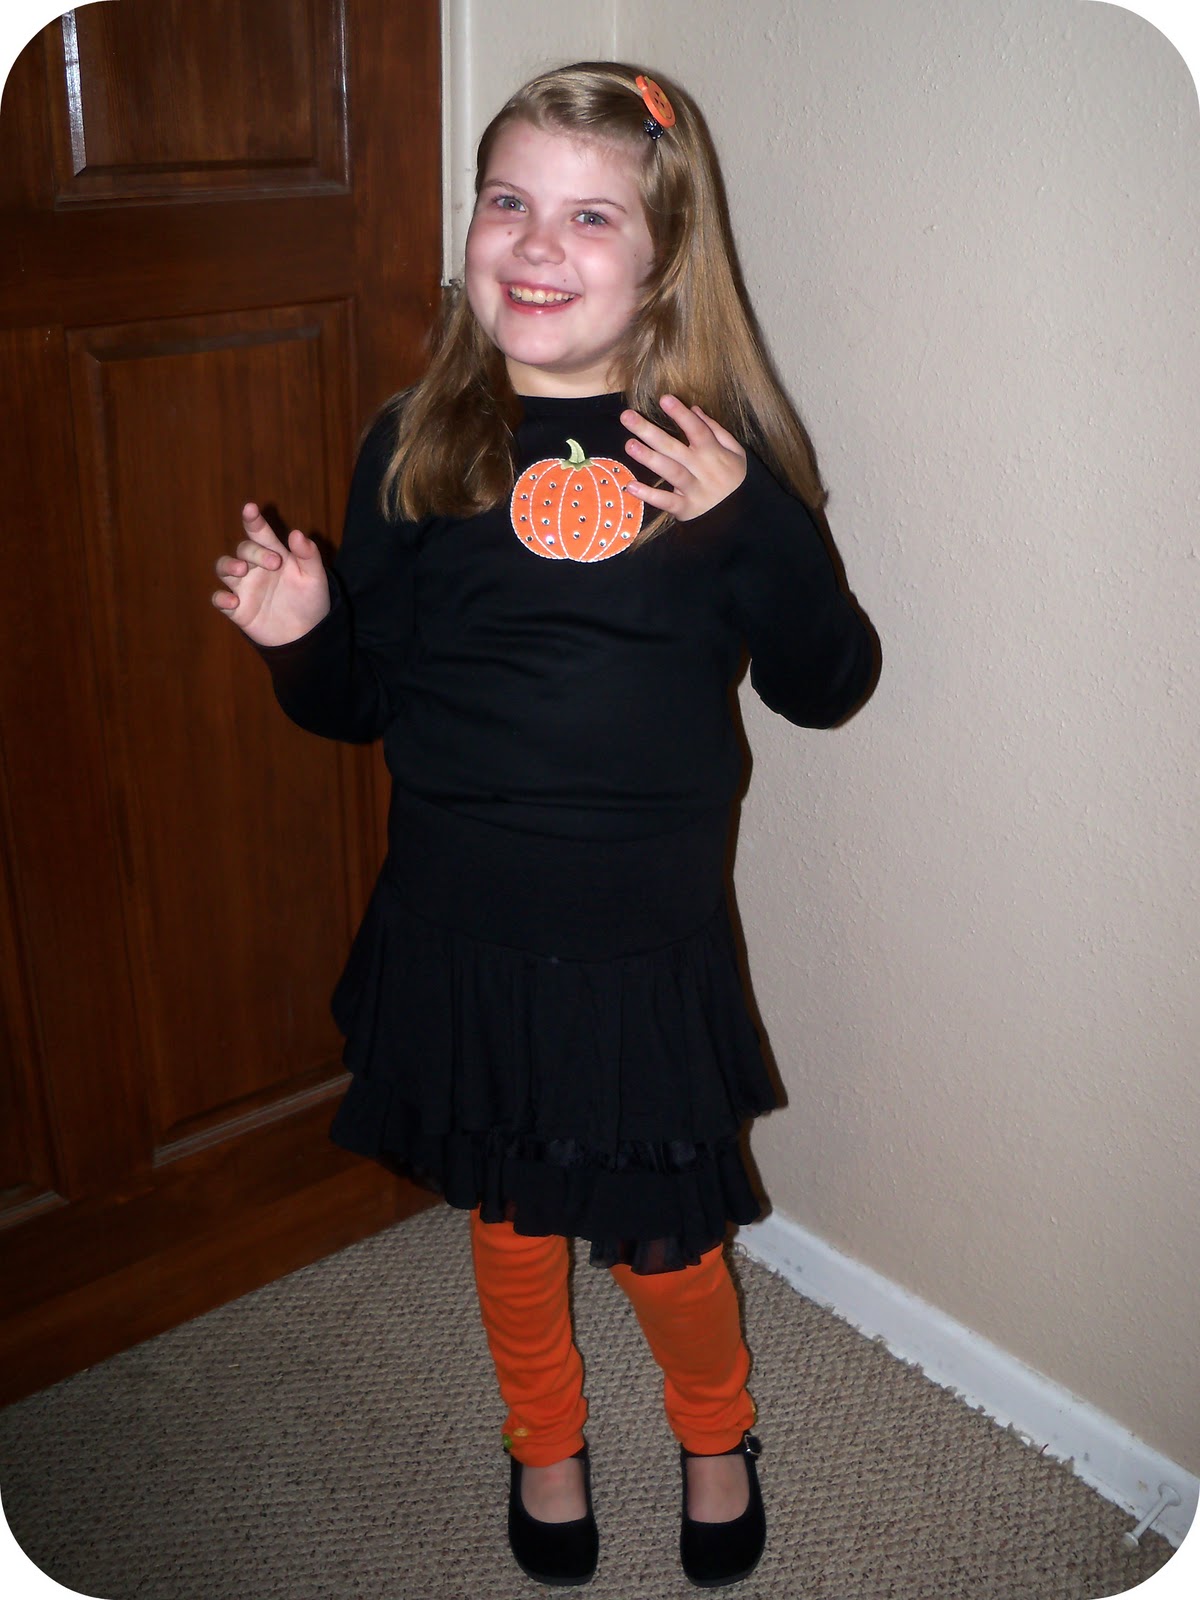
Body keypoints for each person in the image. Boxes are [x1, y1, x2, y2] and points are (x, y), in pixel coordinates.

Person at [212, 61, 875, 1590]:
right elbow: (360, 703)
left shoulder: (708, 459)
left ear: (664, 261)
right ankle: (545, 1440)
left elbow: (827, 684)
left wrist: (753, 524)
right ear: (468, 227)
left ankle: (717, 1430)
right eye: (507, 200)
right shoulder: (416, 443)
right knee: (511, 1221)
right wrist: (305, 639)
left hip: (640, 939)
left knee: (665, 1240)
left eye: (589, 215)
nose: (533, 240)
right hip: (461, 919)